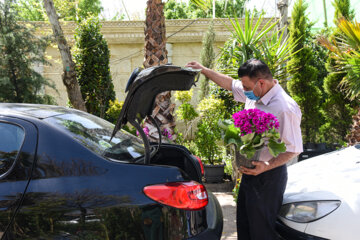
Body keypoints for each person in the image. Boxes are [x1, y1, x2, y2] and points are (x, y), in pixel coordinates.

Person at [186, 59, 303, 240]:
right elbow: (230, 84)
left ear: (261, 83)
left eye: (247, 87)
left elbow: (293, 149)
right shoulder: (255, 91)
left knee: (262, 232)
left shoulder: (284, 108)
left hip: (268, 177)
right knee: (245, 226)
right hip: (249, 175)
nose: (244, 90)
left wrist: (266, 165)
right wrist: (203, 70)